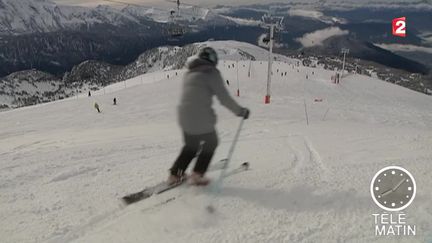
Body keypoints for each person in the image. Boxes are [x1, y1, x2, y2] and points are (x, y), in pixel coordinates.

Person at [168, 47, 250, 186]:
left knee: (191, 146)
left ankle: (175, 174)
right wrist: (240, 111)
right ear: (212, 60)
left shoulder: (189, 73)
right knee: (211, 142)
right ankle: (197, 174)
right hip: (200, 117)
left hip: (184, 116)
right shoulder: (211, 72)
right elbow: (224, 98)